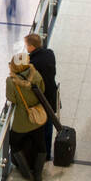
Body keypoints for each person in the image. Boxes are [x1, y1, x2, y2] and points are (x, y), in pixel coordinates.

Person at [5, 50, 48, 181]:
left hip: (22, 121)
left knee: (14, 142)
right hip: (37, 118)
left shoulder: (11, 81)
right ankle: (38, 174)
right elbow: (43, 90)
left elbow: (11, 98)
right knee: (41, 144)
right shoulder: (36, 76)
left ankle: (25, 173)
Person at [25, 33, 58, 162]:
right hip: (51, 94)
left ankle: (40, 153)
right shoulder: (50, 53)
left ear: (32, 46)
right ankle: (47, 153)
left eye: (27, 45)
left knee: (40, 126)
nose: (26, 48)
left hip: (41, 98)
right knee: (49, 124)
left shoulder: (32, 63)